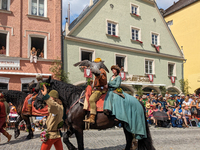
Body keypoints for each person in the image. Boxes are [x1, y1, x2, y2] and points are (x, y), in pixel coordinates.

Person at [103, 65, 147, 139]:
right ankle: (107, 109)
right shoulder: (111, 77)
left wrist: (109, 85)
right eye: (112, 70)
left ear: (117, 71)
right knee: (107, 94)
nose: (113, 71)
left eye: (114, 70)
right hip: (110, 90)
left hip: (116, 90)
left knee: (116, 98)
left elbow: (117, 85)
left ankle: (116, 114)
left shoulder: (119, 77)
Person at [84, 58, 107, 124]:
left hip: (99, 90)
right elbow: (97, 81)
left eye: (96, 63)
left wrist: (98, 75)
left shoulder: (102, 71)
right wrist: (93, 83)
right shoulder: (98, 70)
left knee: (91, 100)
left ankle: (92, 117)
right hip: (95, 89)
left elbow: (102, 79)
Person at [40, 85, 64, 150]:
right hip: (57, 135)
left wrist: (46, 96)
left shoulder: (56, 107)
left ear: (53, 98)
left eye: (51, 97)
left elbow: (53, 105)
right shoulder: (60, 107)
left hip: (51, 135)